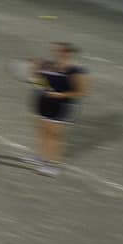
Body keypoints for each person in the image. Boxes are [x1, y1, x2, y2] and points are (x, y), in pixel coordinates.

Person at [28, 42, 91, 177]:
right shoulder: (47, 65)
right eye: (55, 50)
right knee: (43, 131)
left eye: (59, 50)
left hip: (62, 106)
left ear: (68, 53)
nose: (55, 52)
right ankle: (41, 156)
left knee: (55, 136)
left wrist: (60, 95)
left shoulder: (76, 71)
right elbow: (37, 82)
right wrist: (34, 68)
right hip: (44, 102)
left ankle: (53, 166)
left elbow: (82, 92)